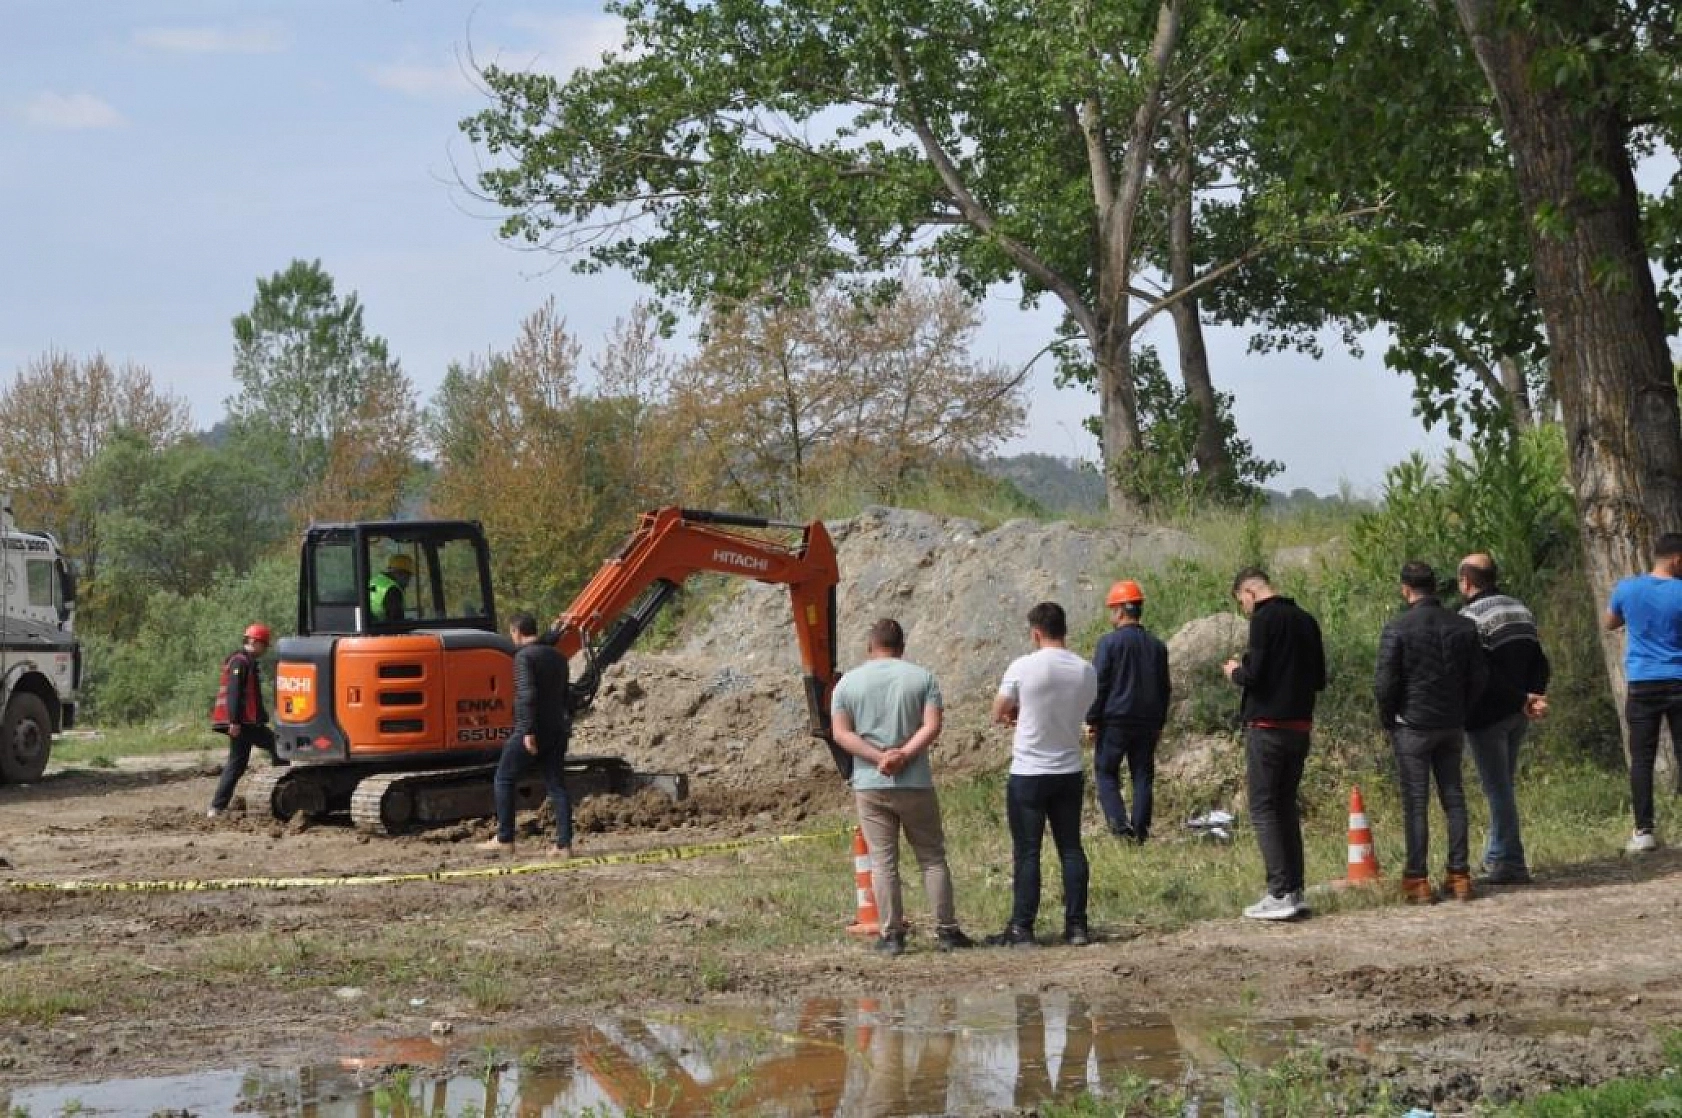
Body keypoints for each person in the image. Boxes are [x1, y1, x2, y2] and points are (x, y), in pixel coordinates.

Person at [831, 619, 975, 956]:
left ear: (870, 646)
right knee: (932, 858)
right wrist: (904, 755)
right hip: (915, 782)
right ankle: (947, 930)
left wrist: (877, 757)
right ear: (902, 646)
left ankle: (892, 935)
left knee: (883, 863)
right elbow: (933, 725)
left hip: (870, 783)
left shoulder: (847, 684)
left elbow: (840, 733)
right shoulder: (922, 678)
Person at [1375, 561, 1488, 904]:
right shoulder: (1463, 626)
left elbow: (1385, 683)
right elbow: (1480, 677)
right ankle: (1460, 876)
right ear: (1436, 587)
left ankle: (1417, 880)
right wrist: (1463, 711)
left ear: (1405, 589)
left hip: (1413, 725)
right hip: (1451, 724)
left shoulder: (1397, 628)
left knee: (1416, 803)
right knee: (1454, 799)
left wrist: (1389, 718)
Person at [989, 602, 1098, 948]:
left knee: (1027, 851)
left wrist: (1016, 715)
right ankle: (1077, 925)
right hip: (1068, 768)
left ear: (1036, 632)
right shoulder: (1085, 670)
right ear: (1064, 629)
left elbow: (999, 710)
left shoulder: (1023, 666)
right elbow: (1081, 709)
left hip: (1029, 771)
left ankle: (1022, 927)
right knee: (1070, 848)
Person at [1222, 568, 1326, 920]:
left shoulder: (1265, 621)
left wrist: (1236, 671)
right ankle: (1295, 890)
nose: (1245, 609)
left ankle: (1279, 891)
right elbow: (1320, 678)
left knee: (1264, 808)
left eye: (1242, 602)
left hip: (1267, 726)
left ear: (1249, 592)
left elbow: (1256, 675)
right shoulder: (1307, 620)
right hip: (1300, 725)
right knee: (1285, 806)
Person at [1458, 554, 1551, 883]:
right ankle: (1497, 854)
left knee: (1497, 789)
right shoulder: (1519, 608)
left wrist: (1520, 698)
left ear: (1467, 582)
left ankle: (1511, 861)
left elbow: (1481, 675)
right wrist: (1534, 696)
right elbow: (1540, 661)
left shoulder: (1469, 617)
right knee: (1504, 786)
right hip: (1518, 714)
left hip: (1488, 717)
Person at [1604, 532, 1682, 853]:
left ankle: (1644, 830)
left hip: (1643, 682)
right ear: (1677, 559)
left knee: (1642, 759)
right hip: (1679, 679)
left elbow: (1610, 622)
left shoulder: (1627, 588)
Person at [477, 611, 574, 857]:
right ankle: (564, 845)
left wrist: (528, 731)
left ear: (516, 632)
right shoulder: (559, 657)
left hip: (531, 729)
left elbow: (527, 695)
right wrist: (556, 632)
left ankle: (505, 839)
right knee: (557, 786)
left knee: (504, 778)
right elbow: (565, 696)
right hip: (557, 728)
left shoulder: (523, 658)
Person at [1084, 579, 1170, 842]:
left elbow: (1098, 683)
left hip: (1115, 721)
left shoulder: (1108, 644)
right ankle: (1141, 833)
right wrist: (1159, 724)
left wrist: (1091, 718)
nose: (1112, 615)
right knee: (1142, 776)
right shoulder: (1157, 646)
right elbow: (1164, 688)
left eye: (1113, 609)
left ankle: (1121, 830)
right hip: (1146, 722)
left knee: (1106, 772)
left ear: (1121, 610)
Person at [208, 622, 280, 817]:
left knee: (237, 763)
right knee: (278, 746)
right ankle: (280, 793)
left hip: (243, 723)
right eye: (264, 645)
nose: (265, 650)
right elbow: (234, 692)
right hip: (242, 723)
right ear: (254, 642)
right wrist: (234, 722)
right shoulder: (240, 662)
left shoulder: (245, 661)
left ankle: (216, 808)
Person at [369, 553, 414, 622]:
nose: (408, 582)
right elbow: (397, 622)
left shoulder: (375, 581)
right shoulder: (393, 590)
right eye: (408, 576)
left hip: (374, 625)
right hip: (381, 629)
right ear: (401, 573)